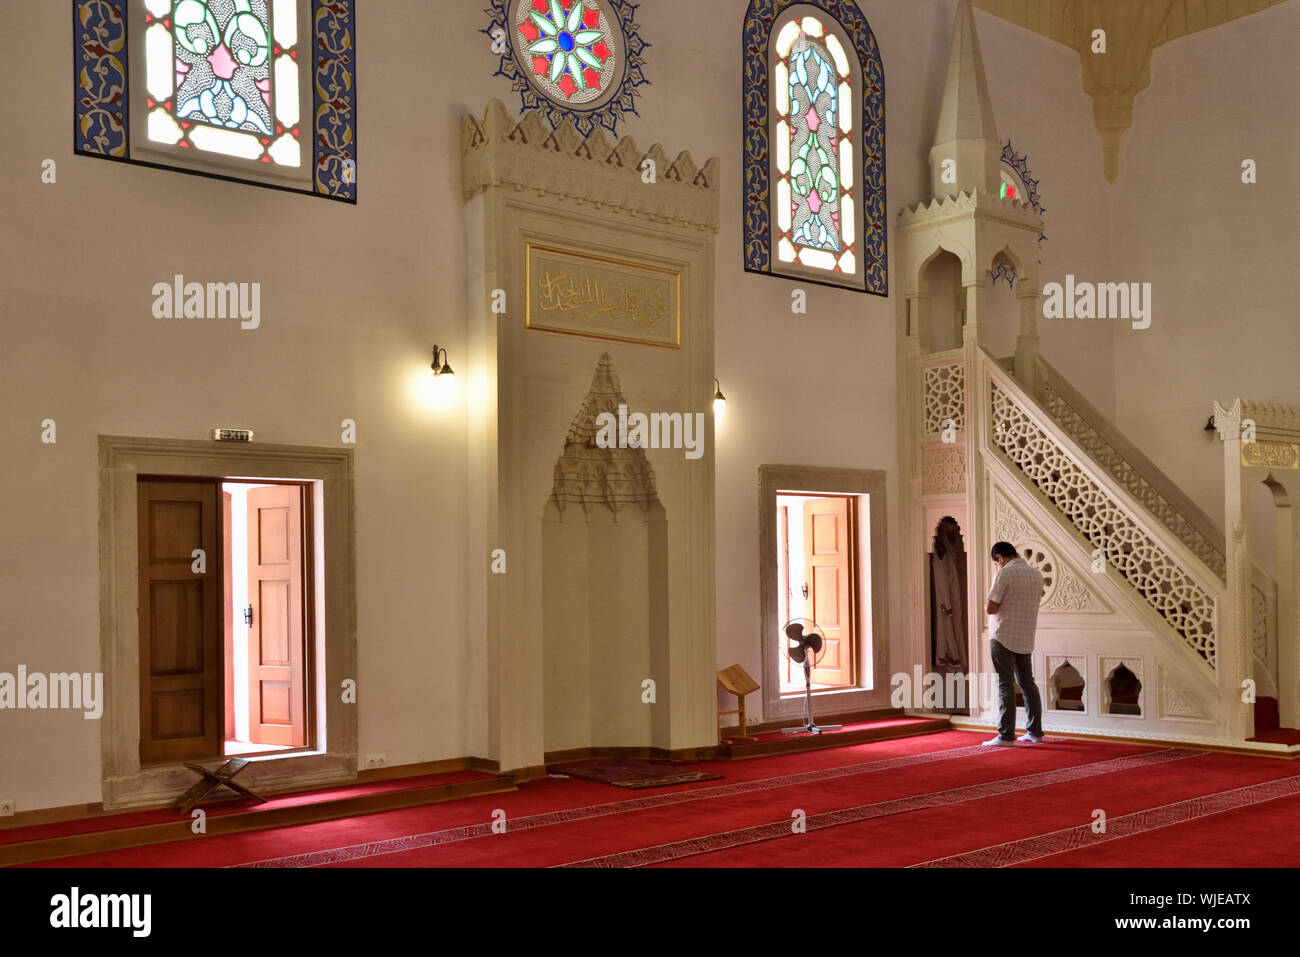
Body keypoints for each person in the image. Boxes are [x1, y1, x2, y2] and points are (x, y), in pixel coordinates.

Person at [982, 542, 1046, 746]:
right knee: (1028, 684)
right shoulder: (1036, 575)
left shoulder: (1005, 573)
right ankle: (1035, 732)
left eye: (996, 563)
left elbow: (991, 607)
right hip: (1025, 636)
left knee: (1005, 685)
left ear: (999, 558)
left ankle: (1006, 735)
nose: (997, 566)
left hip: (1003, 636)